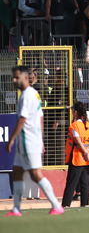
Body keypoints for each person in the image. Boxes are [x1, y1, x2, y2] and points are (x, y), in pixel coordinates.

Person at [4, 66, 64, 217]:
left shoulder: (27, 95)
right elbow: (40, 118)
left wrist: (11, 140)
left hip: (28, 141)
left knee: (36, 175)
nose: (14, 80)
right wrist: (41, 140)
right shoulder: (33, 94)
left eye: (16, 77)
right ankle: (16, 208)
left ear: (25, 78)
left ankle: (56, 205)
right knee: (17, 172)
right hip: (30, 140)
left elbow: (22, 119)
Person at [62, 102, 89, 208]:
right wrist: (87, 152)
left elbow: (77, 141)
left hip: (77, 158)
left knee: (71, 182)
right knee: (85, 183)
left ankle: (66, 205)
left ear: (75, 112)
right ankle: (85, 204)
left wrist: (84, 152)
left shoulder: (75, 125)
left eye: (72, 110)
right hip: (86, 159)